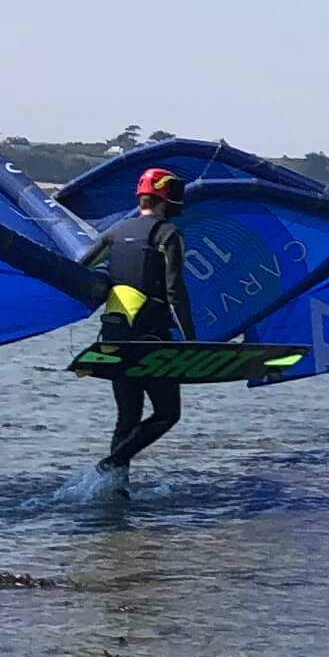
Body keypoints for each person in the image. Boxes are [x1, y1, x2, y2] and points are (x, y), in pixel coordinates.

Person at [80, 164, 197, 491]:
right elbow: (175, 291)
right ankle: (112, 464)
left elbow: (81, 269)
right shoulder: (168, 235)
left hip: (115, 336)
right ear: (166, 198)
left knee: (127, 418)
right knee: (167, 413)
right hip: (150, 340)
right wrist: (192, 339)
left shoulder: (114, 233)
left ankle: (115, 490)